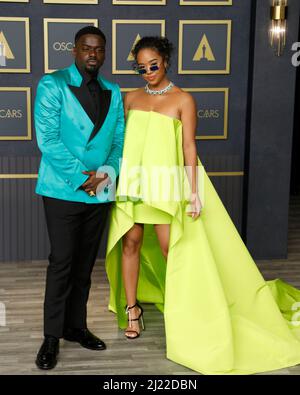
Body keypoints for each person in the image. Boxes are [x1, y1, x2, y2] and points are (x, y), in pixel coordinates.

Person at [105, 36, 300, 375]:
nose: (148, 72)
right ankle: (132, 308)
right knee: (131, 243)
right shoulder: (129, 99)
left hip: (165, 183)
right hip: (134, 181)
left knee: (173, 251)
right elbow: (120, 143)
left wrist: (193, 192)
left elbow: (189, 149)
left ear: (165, 61)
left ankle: (185, 313)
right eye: (141, 67)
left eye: (153, 65)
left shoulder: (183, 100)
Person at [34, 26, 125, 370]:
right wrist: (81, 177)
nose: (93, 54)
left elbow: (118, 138)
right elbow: (48, 139)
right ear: (74, 51)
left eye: (99, 49)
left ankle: (76, 327)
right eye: (86, 48)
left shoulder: (113, 91)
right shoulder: (52, 84)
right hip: (62, 189)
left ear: (104, 54)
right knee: (62, 263)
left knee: (85, 266)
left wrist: (106, 173)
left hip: (100, 191)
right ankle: (51, 337)